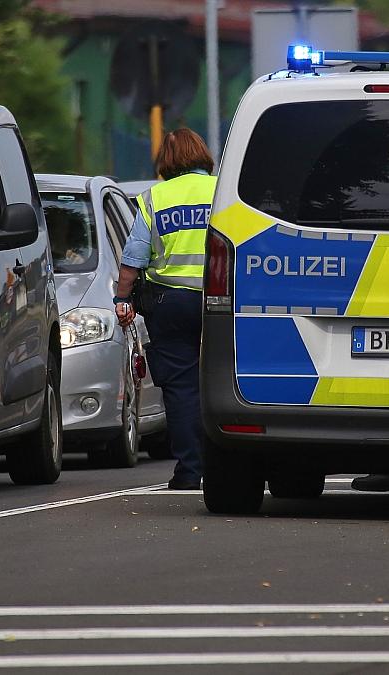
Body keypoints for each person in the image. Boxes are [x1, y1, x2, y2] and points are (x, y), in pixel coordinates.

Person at [114, 129, 215, 490]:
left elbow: (132, 261)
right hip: (222, 303)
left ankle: (190, 471)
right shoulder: (222, 191)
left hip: (171, 304)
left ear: (166, 161)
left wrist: (122, 300)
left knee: (181, 388)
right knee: (225, 381)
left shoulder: (155, 198)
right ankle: (226, 465)